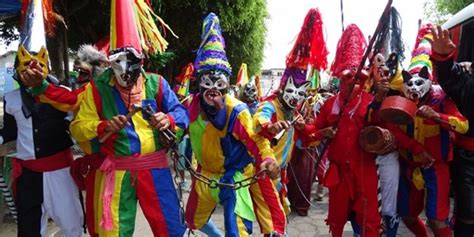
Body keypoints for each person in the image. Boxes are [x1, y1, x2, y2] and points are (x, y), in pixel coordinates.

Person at [69, 0, 188, 236]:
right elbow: (78, 128)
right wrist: (102, 126)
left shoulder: (157, 83)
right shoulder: (96, 89)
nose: (124, 74)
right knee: (113, 232)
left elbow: (182, 114)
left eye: (129, 66)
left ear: (140, 62)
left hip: (155, 168)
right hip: (117, 171)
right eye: (117, 66)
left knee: (171, 229)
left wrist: (169, 120)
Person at [184, 12, 280, 236]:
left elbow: (255, 139)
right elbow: (178, 126)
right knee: (191, 219)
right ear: (199, 83)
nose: (213, 89)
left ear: (227, 83)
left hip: (233, 177)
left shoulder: (237, 110)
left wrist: (267, 158)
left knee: (235, 230)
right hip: (205, 175)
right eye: (207, 81)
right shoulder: (192, 106)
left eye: (219, 81)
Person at [0, 0, 84, 236]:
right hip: (28, 176)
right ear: (17, 67)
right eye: (26, 65)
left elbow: (77, 125)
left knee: (72, 225)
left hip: (61, 173)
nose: (32, 71)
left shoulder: (64, 95)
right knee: (28, 229)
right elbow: (10, 133)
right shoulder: (12, 98)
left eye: (39, 64)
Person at [304, 24, 389, 237]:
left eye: (358, 79)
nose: (353, 83)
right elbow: (313, 129)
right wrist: (321, 133)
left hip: (365, 169)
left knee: (370, 221)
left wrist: (379, 102)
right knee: (337, 220)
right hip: (339, 173)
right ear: (340, 79)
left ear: (364, 81)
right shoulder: (330, 104)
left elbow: (382, 128)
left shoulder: (371, 101)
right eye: (347, 78)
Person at [386, 24, 468, 237]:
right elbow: (392, 128)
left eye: (418, 82)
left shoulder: (440, 98)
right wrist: (413, 147)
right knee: (409, 216)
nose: (413, 88)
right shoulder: (401, 101)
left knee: (437, 221)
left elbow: (463, 124)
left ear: (428, 78)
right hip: (411, 166)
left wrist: (437, 117)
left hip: (436, 167)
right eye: (409, 83)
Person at [430, 24, 474, 236]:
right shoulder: (468, 82)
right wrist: (443, 57)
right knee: (468, 213)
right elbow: (451, 77)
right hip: (468, 160)